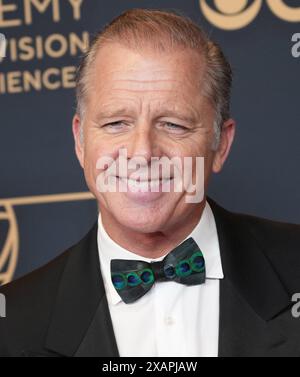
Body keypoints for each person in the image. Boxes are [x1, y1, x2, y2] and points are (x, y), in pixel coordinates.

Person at [0, 8, 299, 357]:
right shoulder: (12, 326)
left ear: (221, 144)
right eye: (116, 123)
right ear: (81, 142)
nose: (142, 153)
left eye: (173, 124)